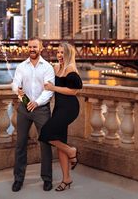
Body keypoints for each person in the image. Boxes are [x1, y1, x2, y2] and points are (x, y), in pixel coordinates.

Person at [11, 37, 55, 192]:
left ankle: (47, 179)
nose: (32, 49)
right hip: (24, 109)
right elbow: (15, 84)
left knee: (45, 144)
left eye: (35, 47)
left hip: (41, 110)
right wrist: (19, 92)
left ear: (40, 48)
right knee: (20, 144)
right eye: (30, 47)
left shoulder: (48, 67)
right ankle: (18, 179)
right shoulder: (21, 67)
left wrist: (36, 103)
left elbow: (48, 90)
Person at [39, 42, 83, 191]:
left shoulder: (71, 69)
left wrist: (53, 87)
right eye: (58, 52)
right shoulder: (56, 68)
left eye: (62, 53)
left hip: (70, 108)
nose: (59, 55)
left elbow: (75, 90)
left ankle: (72, 151)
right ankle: (66, 179)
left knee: (46, 133)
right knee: (60, 142)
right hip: (59, 108)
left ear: (69, 54)